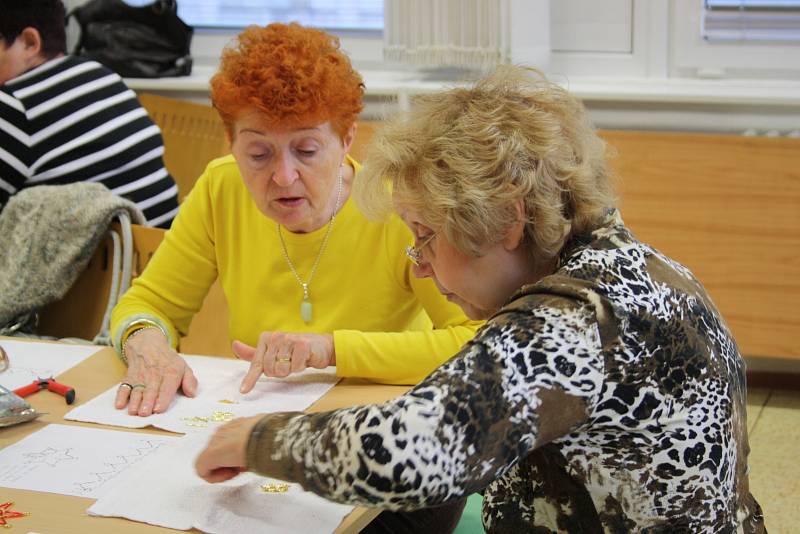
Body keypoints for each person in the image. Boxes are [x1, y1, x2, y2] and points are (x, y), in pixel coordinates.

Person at [195, 66, 766, 533]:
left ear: (508, 222)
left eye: (425, 236)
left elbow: (415, 451)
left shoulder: (571, 321)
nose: (416, 262)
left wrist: (258, 439)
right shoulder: (626, 261)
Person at [0, 0, 179, 228]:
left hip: (103, 260)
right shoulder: (102, 74)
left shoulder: (13, 104)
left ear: (29, 43)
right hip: (161, 249)